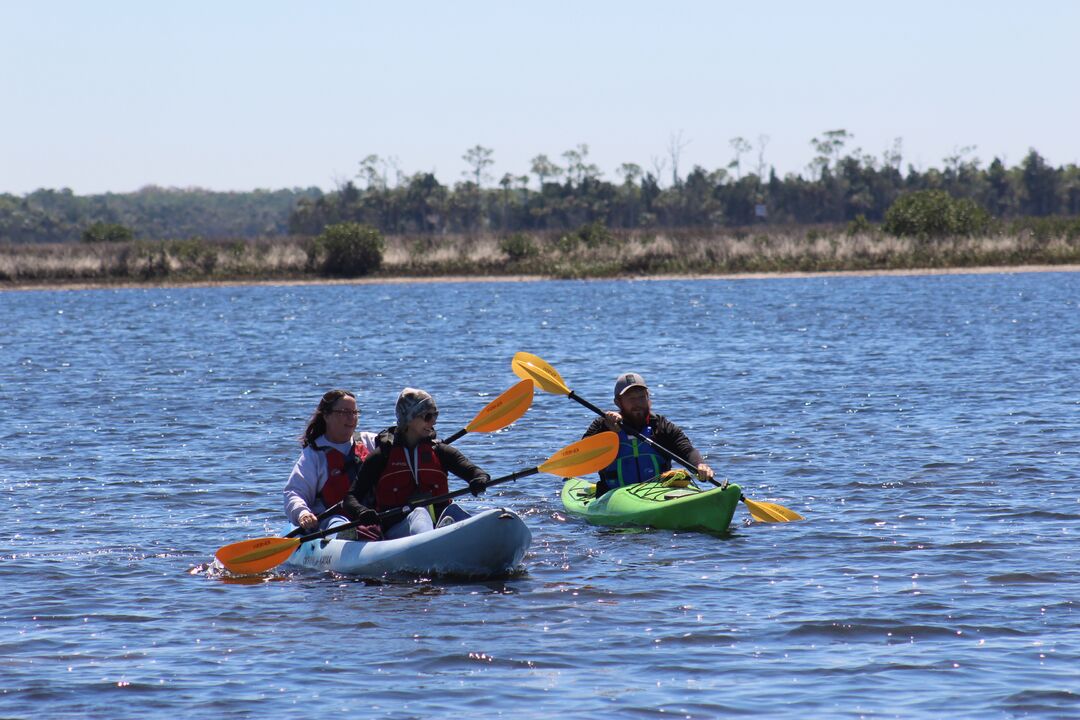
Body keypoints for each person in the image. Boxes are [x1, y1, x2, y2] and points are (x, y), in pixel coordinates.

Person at [343, 388, 490, 539]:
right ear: (409, 418)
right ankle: (437, 539)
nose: (433, 421)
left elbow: (476, 472)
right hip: (397, 532)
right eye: (428, 416)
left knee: (454, 510)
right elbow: (350, 498)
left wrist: (480, 480)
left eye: (435, 415)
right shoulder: (382, 456)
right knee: (419, 513)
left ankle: (473, 536)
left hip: (439, 525)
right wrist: (361, 511)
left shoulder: (440, 451)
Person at [582, 372, 719, 496]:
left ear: (648, 398)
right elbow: (583, 455)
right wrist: (608, 432)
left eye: (642, 397)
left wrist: (700, 465)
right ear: (618, 402)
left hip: (657, 494)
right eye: (631, 398)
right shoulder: (603, 424)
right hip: (613, 495)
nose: (638, 403)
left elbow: (686, 450)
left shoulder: (661, 426)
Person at [283, 389, 378, 533]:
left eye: (354, 412)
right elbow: (294, 492)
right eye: (344, 412)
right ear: (326, 416)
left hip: (371, 517)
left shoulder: (370, 442)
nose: (351, 417)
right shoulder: (314, 455)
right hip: (331, 523)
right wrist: (302, 513)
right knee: (337, 522)